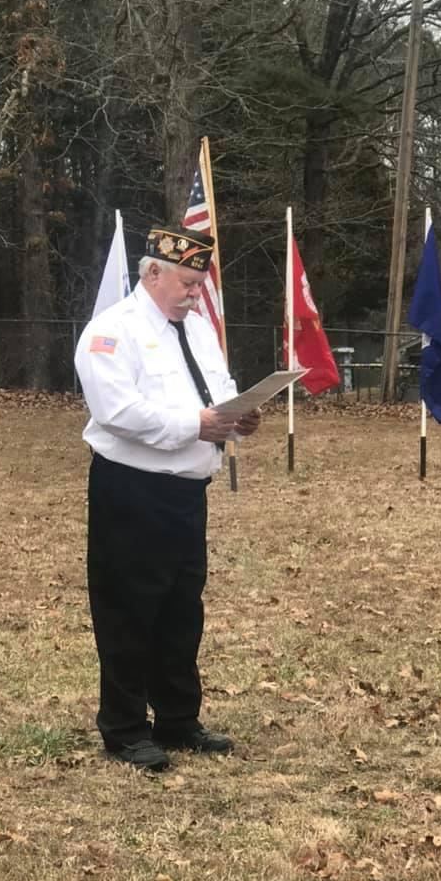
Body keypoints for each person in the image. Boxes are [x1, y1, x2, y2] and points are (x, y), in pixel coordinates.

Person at [75, 225, 261, 771]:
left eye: (200, 284)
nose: (194, 294)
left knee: (182, 610)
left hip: (187, 492)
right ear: (152, 272)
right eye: (185, 282)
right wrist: (195, 424)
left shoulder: (200, 330)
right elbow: (117, 411)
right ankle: (126, 729)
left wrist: (237, 419)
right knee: (128, 611)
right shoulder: (111, 332)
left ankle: (179, 719)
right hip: (131, 490)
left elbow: (214, 395)